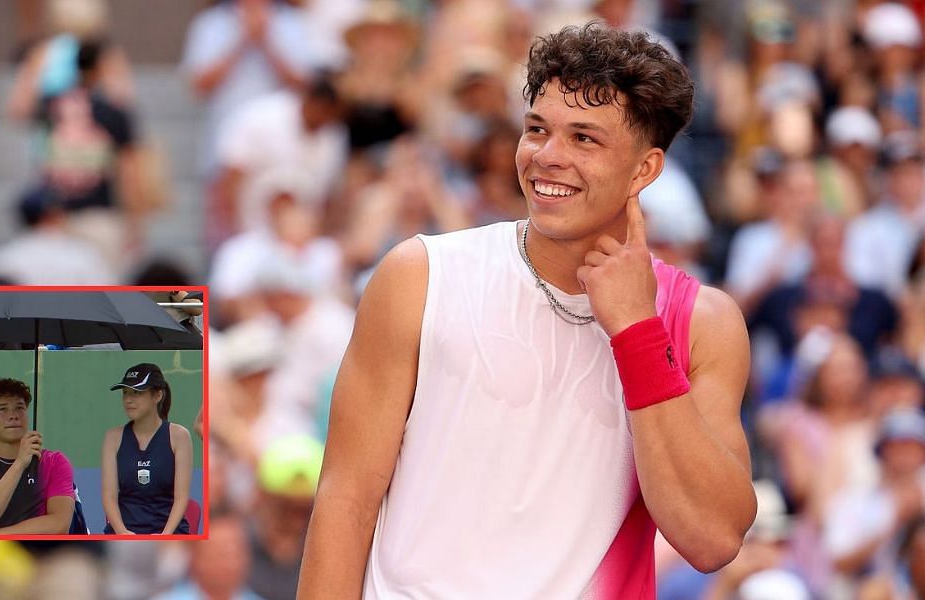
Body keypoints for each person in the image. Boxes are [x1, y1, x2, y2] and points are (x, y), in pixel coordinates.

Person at [299, 24, 756, 597]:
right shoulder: (419, 275)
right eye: (537, 129)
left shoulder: (703, 323)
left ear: (644, 170)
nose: (547, 157)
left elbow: (712, 538)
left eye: (584, 139)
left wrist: (638, 331)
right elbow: (346, 499)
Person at [0, 378, 75, 534]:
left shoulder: (54, 462)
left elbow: (59, 525)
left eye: (20, 408)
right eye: (3, 409)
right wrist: (19, 464)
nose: (13, 416)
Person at [101, 363, 193, 535]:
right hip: (124, 534)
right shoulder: (112, 437)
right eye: (125, 393)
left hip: (170, 533)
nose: (129, 399)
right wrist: (122, 532)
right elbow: (109, 496)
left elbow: (181, 497)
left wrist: (165, 536)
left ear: (157, 395)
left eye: (137, 393)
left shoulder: (179, 436)